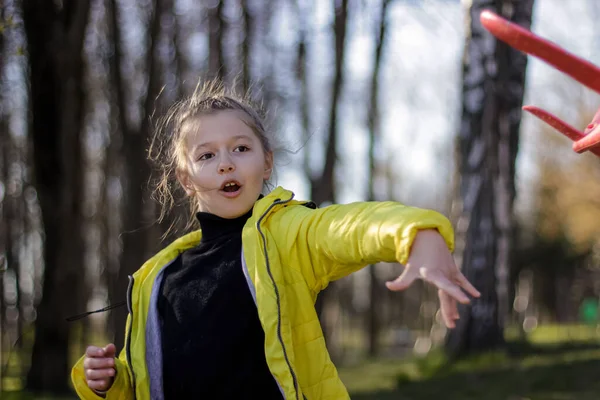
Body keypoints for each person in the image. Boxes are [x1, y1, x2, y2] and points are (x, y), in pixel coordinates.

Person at [71, 80, 480, 399]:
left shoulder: (285, 234)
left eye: (240, 148)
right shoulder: (156, 278)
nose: (226, 162)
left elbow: (347, 226)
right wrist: (107, 382)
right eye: (206, 155)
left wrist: (415, 233)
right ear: (185, 179)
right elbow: (147, 379)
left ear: (266, 162)